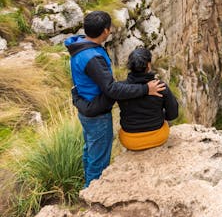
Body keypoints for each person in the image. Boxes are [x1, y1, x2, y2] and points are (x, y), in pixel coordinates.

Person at [65, 11, 166, 187]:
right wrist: (145, 89)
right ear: (105, 31)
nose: (111, 31)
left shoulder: (81, 46)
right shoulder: (92, 58)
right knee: (99, 161)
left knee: (90, 152)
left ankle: (86, 187)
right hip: (97, 115)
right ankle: (92, 196)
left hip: (86, 108)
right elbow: (111, 89)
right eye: (109, 28)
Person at [118, 47, 179, 150]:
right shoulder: (160, 87)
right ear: (148, 65)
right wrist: (160, 116)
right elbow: (173, 114)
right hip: (157, 137)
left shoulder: (120, 88)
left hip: (130, 141)